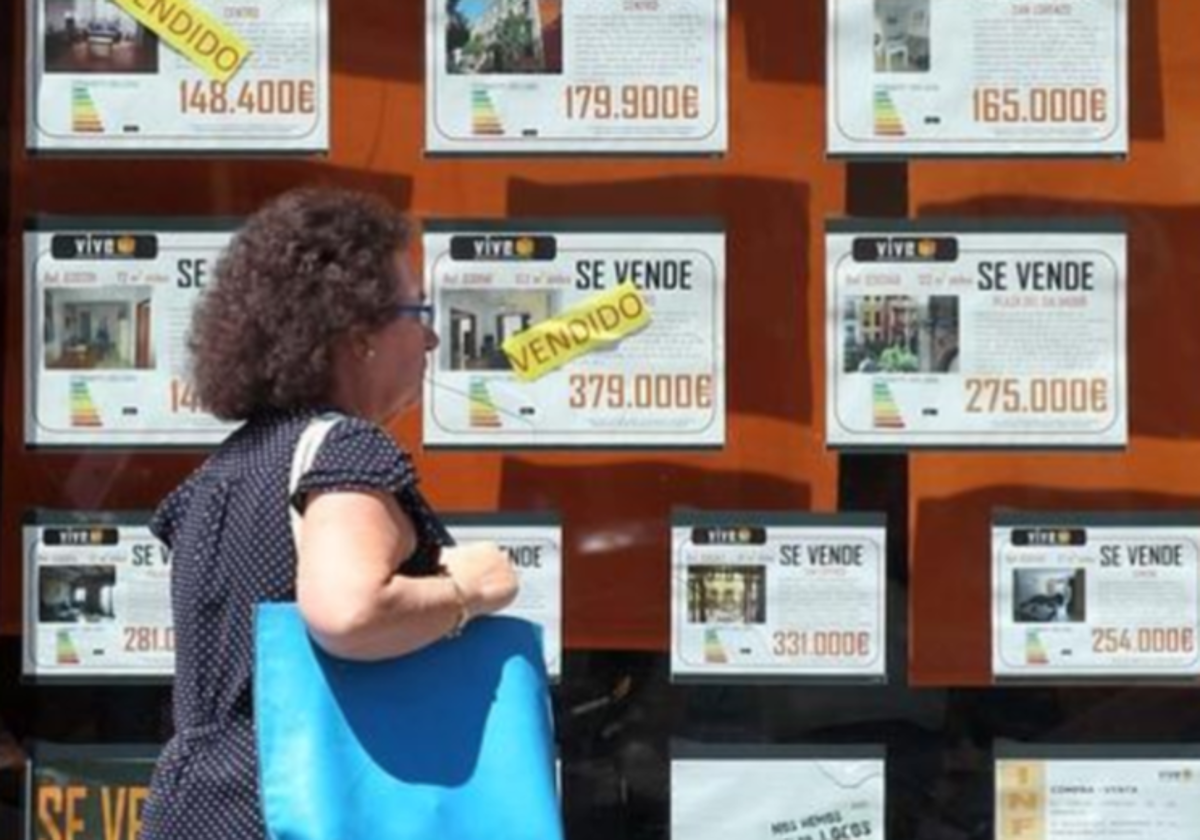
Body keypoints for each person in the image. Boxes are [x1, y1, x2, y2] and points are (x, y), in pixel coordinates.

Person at [139, 189, 519, 840]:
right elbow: (347, 611)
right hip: (302, 810)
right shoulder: (345, 450)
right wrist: (467, 590)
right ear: (357, 336)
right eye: (416, 311)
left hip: (196, 808)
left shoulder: (225, 470)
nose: (430, 336)